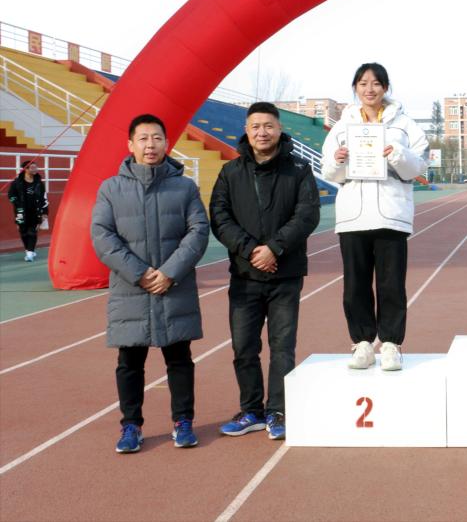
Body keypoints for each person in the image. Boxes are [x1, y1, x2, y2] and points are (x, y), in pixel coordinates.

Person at [90, 114, 209, 453]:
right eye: (143, 138)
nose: (150, 145)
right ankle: (131, 426)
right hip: (131, 290)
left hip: (174, 287)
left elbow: (198, 231)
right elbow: (102, 236)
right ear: (130, 145)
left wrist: (170, 272)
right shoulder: (111, 188)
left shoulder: (184, 187)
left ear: (166, 143)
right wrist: (139, 273)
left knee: (179, 359)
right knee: (130, 362)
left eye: (157, 138)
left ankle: (183, 421)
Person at [210, 102, 320, 441]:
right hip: (245, 277)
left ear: (279, 128)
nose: (262, 132)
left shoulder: (299, 169)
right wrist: (251, 251)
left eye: (268, 126)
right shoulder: (230, 172)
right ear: (246, 130)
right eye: (256, 126)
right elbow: (220, 217)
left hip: (285, 274)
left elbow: (307, 214)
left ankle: (278, 411)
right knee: (244, 348)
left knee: (282, 347)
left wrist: (274, 247)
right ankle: (251, 411)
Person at [321, 63, 428, 372]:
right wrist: (338, 161)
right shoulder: (342, 126)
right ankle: (363, 343)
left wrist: (397, 153)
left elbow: (419, 167)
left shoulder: (405, 125)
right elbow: (329, 172)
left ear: (385, 87)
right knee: (355, 284)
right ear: (355, 88)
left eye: (376, 83)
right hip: (353, 216)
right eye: (363, 83)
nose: (370, 89)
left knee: (391, 284)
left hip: (391, 214)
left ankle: (391, 344)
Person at [8, 160, 48, 262]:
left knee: (33, 232)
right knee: (23, 232)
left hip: (36, 211)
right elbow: (11, 196)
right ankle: (29, 250)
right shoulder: (16, 182)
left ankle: (30, 253)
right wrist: (17, 203)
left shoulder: (39, 183)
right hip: (20, 212)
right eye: (32, 168)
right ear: (26, 169)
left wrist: (45, 212)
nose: (35, 169)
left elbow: (44, 198)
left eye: (36, 167)